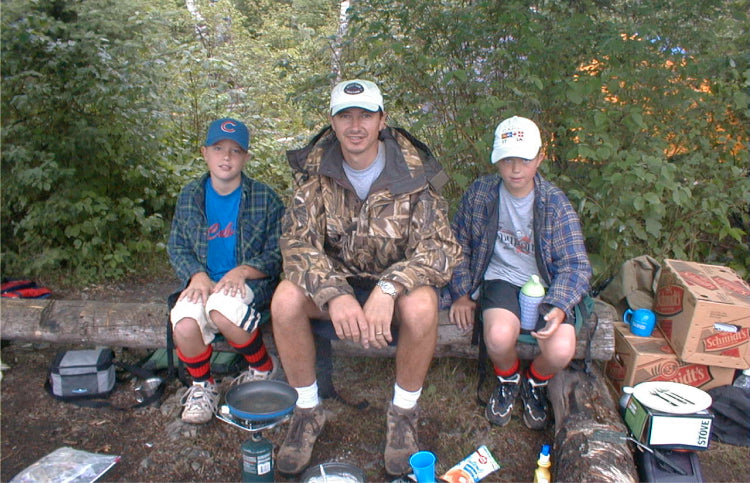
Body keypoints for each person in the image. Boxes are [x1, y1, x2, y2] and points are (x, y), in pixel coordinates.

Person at [271, 79, 461, 476]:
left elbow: (441, 249)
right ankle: (307, 411)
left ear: (382, 120)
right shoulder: (313, 173)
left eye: (365, 115)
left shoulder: (415, 175)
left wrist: (389, 288)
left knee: (424, 304)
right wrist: (334, 293)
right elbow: (295, 244)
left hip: (393, 286)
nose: (355, 125)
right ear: (333, 122)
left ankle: (403, 415)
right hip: (336, 283)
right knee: (285, 299)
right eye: (345, 116)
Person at [446, 116, 591, 430]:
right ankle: (508, 378)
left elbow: (576, 265)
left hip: (545, 285)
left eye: (524, 159)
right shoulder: (481, 194)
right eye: (507, 159)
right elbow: (456, 245)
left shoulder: (555, 204)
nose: (515, 169)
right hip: (501, 278)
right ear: (496, 159)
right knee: (497, 338)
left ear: (540, 158)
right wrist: (460, 293)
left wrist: (559, 304)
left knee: (562, 349)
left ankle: (535, 382)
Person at [167, 118, 285, 424]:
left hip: (250, 284)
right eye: (218, 148)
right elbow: (177, 246)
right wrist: (196, 274)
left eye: (235, 151)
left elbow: (279, 252)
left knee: (221, 308)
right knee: (182, 323)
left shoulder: (265, 198)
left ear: (245, 157)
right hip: (203, 282)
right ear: (205, 153)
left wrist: (244, 271)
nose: (226, 157)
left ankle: (262, 368)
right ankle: (203, 385)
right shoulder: (190, 196)